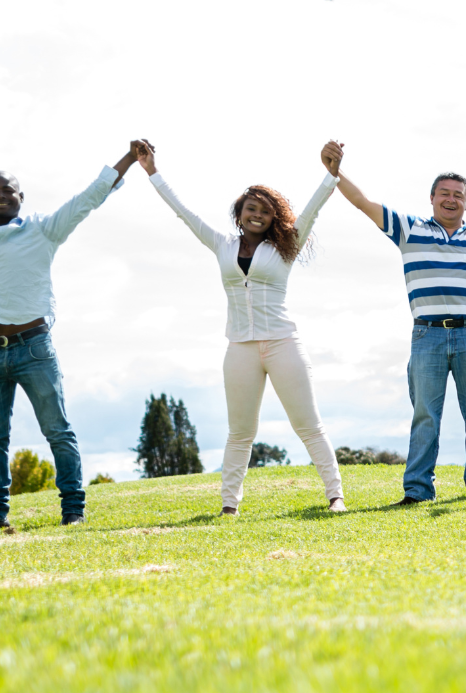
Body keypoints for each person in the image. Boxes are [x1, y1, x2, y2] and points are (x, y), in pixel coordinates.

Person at [321, 141, 466, 504]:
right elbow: (364, 203)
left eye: (458, 195)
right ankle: (417, 491)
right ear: (431, 198)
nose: (451, 199)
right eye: (444, 193)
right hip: (427, 334)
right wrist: (336, 173)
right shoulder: (409, 229)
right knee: (426, 415)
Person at [137, 144, 346, 516]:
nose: (258, 215)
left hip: (283, 343)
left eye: (265, 211)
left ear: (273, 218)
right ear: (240, 212)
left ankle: (336, 497)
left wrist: (331, 173)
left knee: (308, 425)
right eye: (252, 208)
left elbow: (313, 209)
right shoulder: (221, 244)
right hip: (240, 347)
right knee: (240, 432)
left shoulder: (287, 246)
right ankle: (229, 506)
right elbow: (184, 213)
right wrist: (153, 172)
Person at [0, 140, 146, 533]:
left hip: (33, 347)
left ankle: (73, 509)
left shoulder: (42, 229)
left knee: (57, 430)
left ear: (20, 196)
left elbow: (88, 198)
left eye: (5, 189)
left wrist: (129, 160)